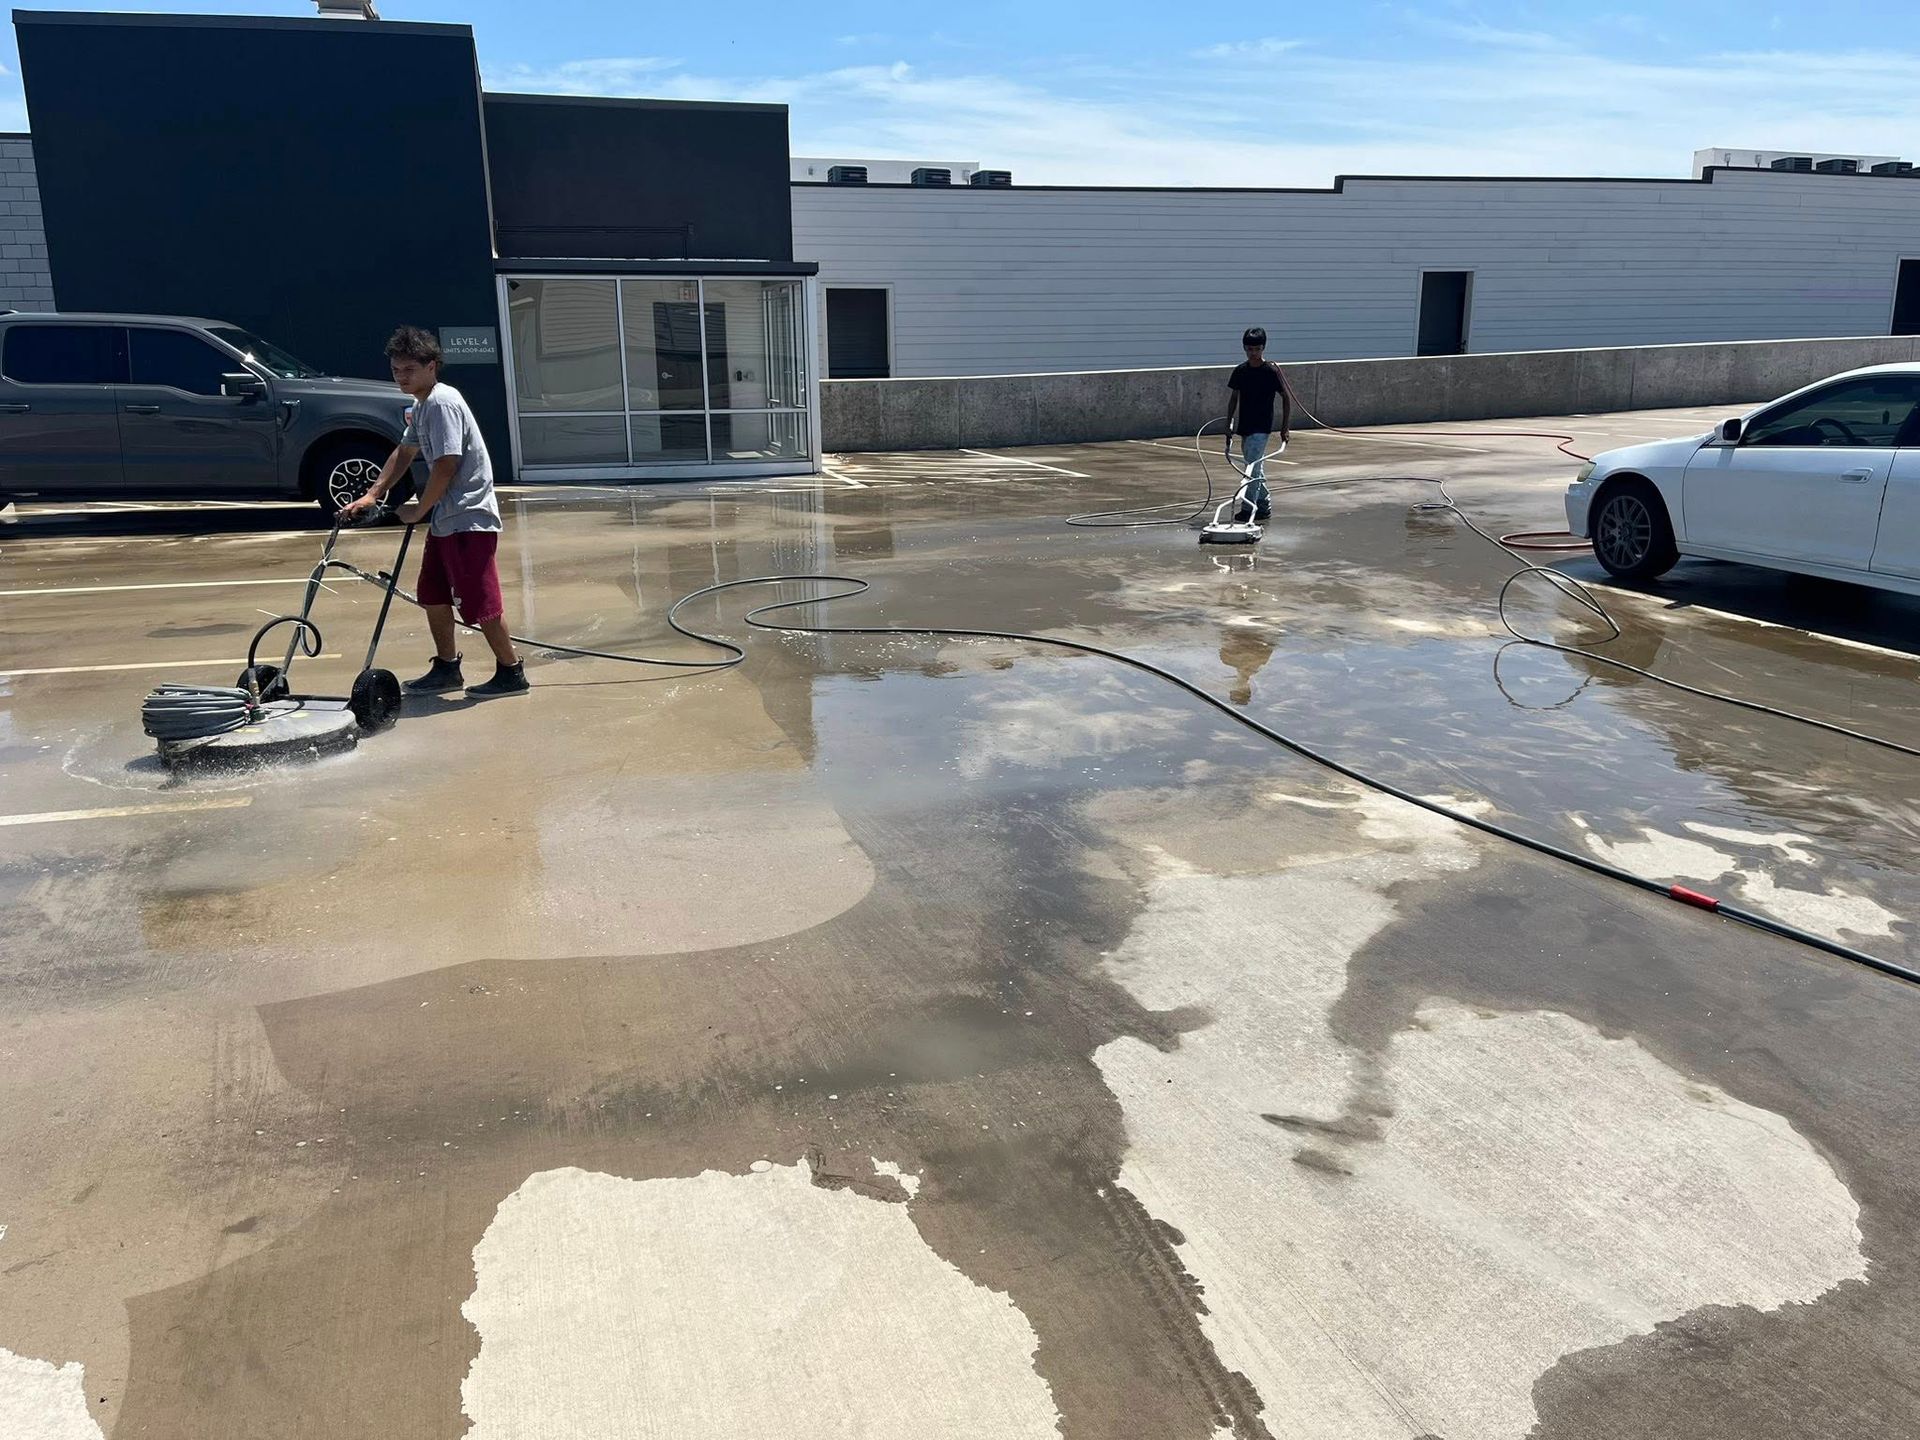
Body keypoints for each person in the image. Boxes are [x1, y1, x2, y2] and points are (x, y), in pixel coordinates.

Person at [340, 326, 528, 697]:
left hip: (468, 518)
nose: (401, 377)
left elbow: (446, 464)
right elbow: (404, 452)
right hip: (447, 520)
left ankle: (511, 672)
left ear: (431, 366)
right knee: (433, 593)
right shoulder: (421, 405)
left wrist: (419, 510)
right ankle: (446, 668)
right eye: (396, 370)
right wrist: (372, 494)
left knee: (480, 601)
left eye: (409, 369)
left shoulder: (442, 403)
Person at [1224, 326, 1292, 522]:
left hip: (1262, 427)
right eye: (1249, 349)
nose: (1253, 353)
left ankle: (1249, 509)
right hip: (1245, 426)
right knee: (1255, 467)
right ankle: (1263, 505)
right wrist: (1228, 425)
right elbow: (1234, 398)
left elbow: (1286, 398)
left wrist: (1284, 427)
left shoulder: (1270, 371)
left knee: (1251, 468)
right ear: (1245, 349)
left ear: (1263, 348)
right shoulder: (1241, 371)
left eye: (1257, 349)